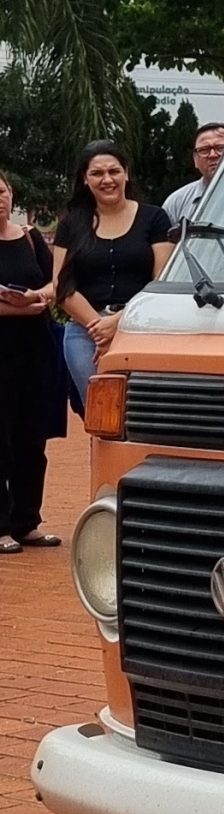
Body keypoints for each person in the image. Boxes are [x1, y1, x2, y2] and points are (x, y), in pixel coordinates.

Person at [54, 143, 173, 413]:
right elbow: (62, 285)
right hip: (84, 336)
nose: (107, 179)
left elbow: (160, 283)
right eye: (97, 173)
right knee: (102, 417)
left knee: (142, 413)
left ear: (126, 174)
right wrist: (99, 328)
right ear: (85, 179)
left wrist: (118, 323)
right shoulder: (71, 223)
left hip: (141, 330)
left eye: (113, 171)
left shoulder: (155, 218)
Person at [0, 171, 65, 554]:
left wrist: (35, 300)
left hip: (35, 352)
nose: (0, 199)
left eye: (4, 191)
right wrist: (26, 308)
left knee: (32, 438)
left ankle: (28, 521)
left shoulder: (29, 237)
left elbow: (54, 286)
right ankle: (1, 524)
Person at [160, 121, 224, 232]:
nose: (212, 155)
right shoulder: (176, 202)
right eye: (204, 150)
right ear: (195, 159)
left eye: (220, 148)